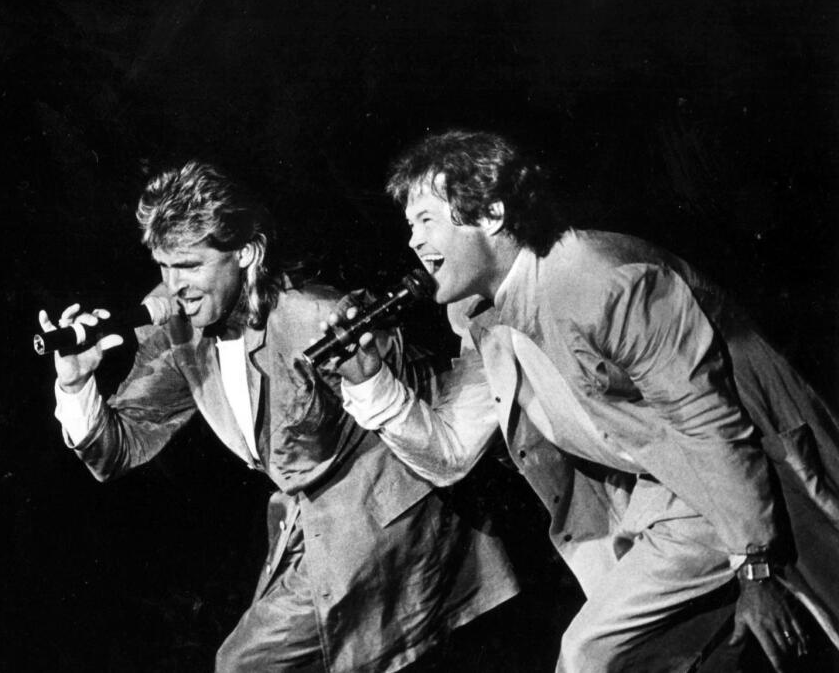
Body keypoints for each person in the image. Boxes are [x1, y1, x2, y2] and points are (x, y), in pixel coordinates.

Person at [330, 129, 839, 671]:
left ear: (492, 214)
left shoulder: (602, 281)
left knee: (589, 653)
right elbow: (451, 451)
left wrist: (755, 566)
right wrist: (369, 378)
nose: (413, 241)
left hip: (745, 490)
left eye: (426, 219)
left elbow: (706, 423)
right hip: (664, 504)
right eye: (410, 225)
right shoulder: (480, 314)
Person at [39, 160, 519, 672]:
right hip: (311, 529)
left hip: (393, 524)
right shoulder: (178, 327)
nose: (173, 286)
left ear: (246, 253)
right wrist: (75, 383)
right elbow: (118, 447)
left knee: (245, 665)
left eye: (189, 266)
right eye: (163, 266)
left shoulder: (312, 316)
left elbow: (432, 419)